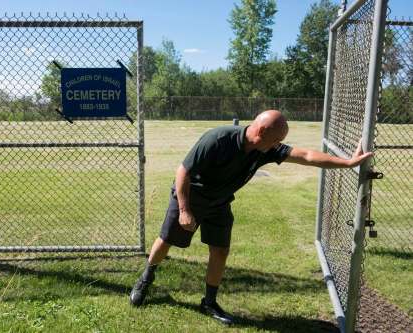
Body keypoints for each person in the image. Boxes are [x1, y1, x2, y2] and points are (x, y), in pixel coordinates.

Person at [129, 110, 372, 325]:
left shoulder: (264, 148)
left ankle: (209, 302)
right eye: (277, 138)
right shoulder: (218, 139)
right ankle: (146, 277)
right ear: (262, 131)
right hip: (192, 196)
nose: (279, 144)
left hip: (220, 202)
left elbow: (306, 155)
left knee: (220, 250)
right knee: (166, 240)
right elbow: (183, 171)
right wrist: (184, 210)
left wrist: (348, 163)